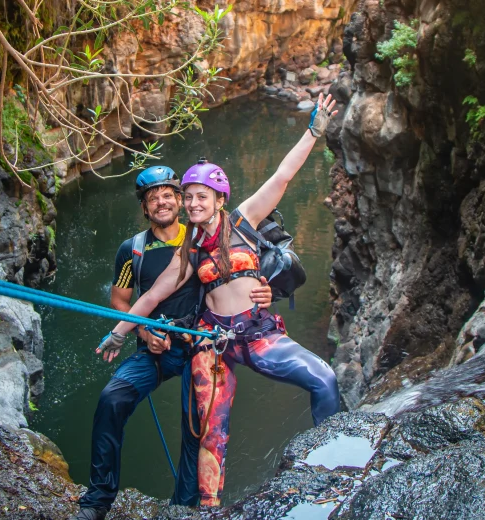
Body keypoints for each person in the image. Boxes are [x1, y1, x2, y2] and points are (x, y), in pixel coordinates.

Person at [97, 94, 342, 507]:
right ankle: (209, 509)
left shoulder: (244, 221)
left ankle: (335, 470)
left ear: (219, 198)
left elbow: (282, 176)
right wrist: (118, 334)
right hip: (213, 343)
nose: (192, 204)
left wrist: (313, 132)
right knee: (211, 429)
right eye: (188, 197)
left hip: (259, 334)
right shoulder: (189, 250)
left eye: (200, 196)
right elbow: (153, 295)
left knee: (325, 380)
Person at [73, 167, 273, 520]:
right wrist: (142, 332)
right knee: (111, 399)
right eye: (153, 199)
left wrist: (265, 292)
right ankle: (98, 498)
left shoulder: (202, 239)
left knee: (195, 424)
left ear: (181, 201)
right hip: (155, 346)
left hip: (199, 346)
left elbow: (239, 277)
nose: (161, 202)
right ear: (145, 208)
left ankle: (183, 508)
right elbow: (121, 300)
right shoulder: (132, 250)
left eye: (168, 195)